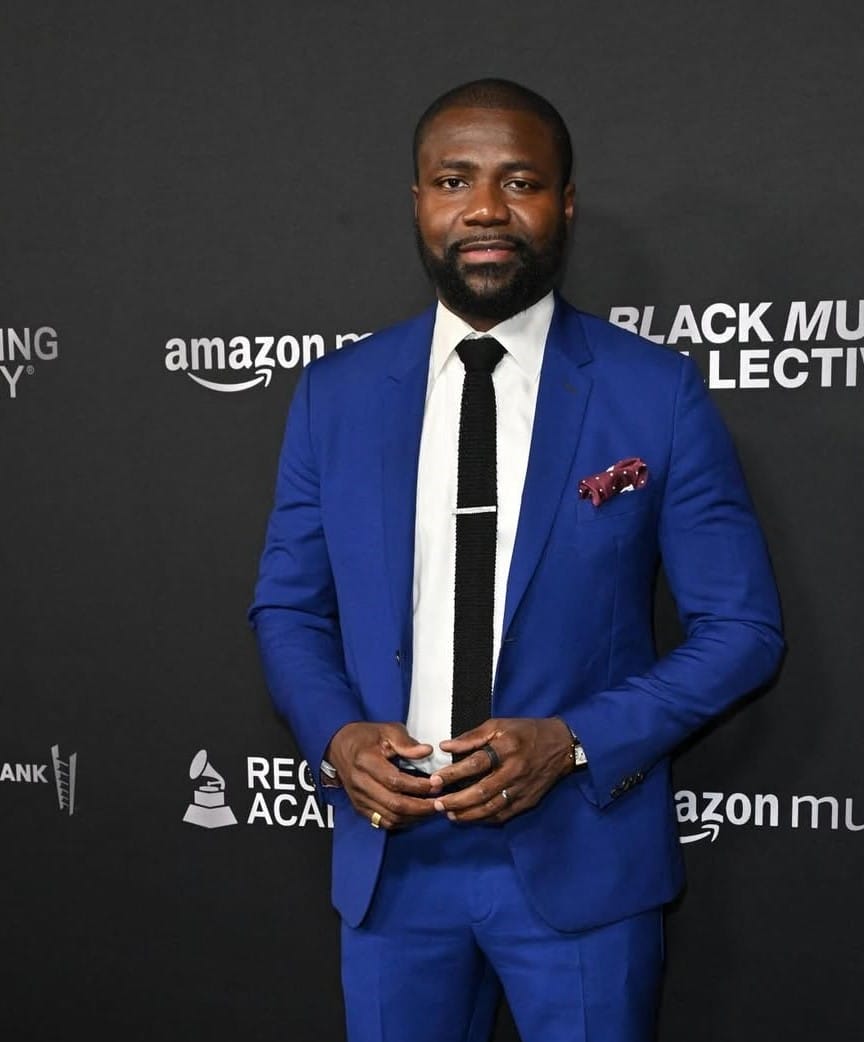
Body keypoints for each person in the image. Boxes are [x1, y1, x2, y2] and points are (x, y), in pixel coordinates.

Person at [249, 77, 783, 1042]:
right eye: (454, 180)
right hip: (392, 865)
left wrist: (570, 742)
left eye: (520, 181)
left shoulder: (653, 391)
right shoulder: (336, 394)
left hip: (581, 856)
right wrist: (337, 738)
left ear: (564, 204)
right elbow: (288, 608)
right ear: (418, 201)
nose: (486, 208)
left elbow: (741, 630)